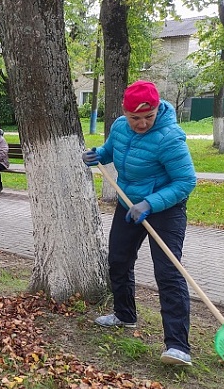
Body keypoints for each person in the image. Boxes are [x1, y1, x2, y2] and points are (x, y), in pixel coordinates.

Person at [82, 80, 197, 366]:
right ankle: (125, 315)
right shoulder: (121, 126)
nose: (143, 123)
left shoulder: (169, 137)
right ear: (125, 112)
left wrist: (150, 203)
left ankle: (178, 346)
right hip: (129, 206)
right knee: (119, 261)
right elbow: (113, 150)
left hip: (164, 210)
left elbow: (186, 181)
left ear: (158, 109)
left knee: (168, 272)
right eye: (136, 118)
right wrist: (98, 154)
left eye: (149, 116)